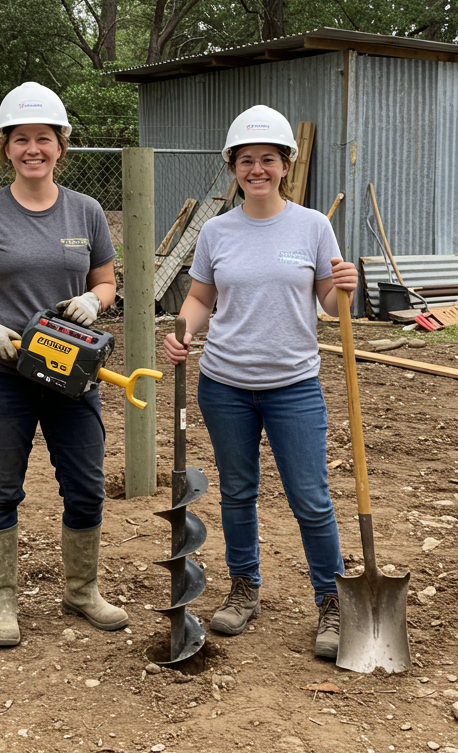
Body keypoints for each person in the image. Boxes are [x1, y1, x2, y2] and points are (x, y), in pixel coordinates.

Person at [162, 104, 358, 660]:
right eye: (246, 160)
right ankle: (245, 588)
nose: (257, 169)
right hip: (224, 382)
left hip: (294, 385)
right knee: (238, 492)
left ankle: (332, 599)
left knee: (312, 499)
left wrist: (343, 284)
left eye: (268, 159)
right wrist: (185, 332)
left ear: (285, 165)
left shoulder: (314, 226)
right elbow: (201, 298)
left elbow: (326, 299)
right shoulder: (216, 231)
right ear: (234, 168)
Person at [0, 81, 127, 647]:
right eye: (21, 139)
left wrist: (95, 301)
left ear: (61, 146)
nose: (33, 149)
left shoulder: (87, 211)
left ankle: (81, 590)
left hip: (73, 374)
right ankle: (3, 601)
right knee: (2, 486)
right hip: (5, 376)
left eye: (43, 139)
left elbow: (107, 280)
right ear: (6, 147)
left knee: (85, 485)